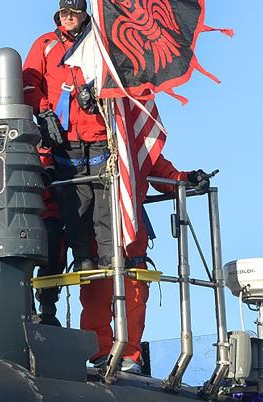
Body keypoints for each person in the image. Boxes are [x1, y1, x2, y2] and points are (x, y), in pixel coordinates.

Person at [80, 155, 212, 373]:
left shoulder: (133, 142)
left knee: (134, 300)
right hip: (95, 238)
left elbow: (161, 171)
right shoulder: (82, 142)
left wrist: (187, 178)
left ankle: (129, 355)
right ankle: (102, 353)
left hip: (131, 243)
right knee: (96, 297)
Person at [23, 0, 113, 271]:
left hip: (99, 131)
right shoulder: (46, 44)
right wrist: (44, 111)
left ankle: (110, 256)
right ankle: (84, 257)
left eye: (73, 13)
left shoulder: (99, 42)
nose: (68, 17)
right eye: (64, 13)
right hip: (65, 135)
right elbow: (29, 81)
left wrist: (96, 93)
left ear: (84, 15)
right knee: (77, 202)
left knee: (104, 199)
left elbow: (117, 74)